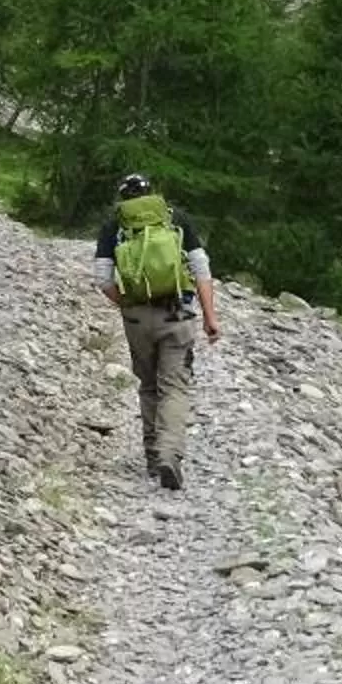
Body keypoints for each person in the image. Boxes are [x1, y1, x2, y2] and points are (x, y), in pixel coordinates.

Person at [94, 173, 220, 490]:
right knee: (175, 387)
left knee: (149, 385)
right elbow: (201, 269)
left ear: (123, 197)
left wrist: (127, 303)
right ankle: (169, 454)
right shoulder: (174, 219)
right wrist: (210, 317)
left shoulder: (116, 224)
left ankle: (152, 457)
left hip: (137, 317)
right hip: (176, 313)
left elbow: (103, 278)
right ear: (153, 193)